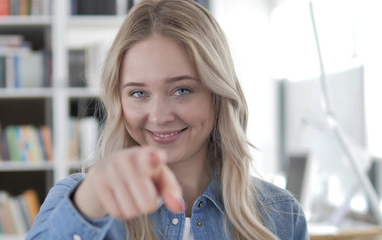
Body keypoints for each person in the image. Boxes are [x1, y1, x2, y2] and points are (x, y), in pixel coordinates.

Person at [26, 0, 308, 239]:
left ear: (218, 94)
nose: (159, 116)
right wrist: (87, 205)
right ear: (119, 100)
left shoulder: (281, 214)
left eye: (182, 90)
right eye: (138, 93)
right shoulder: (77, 200)